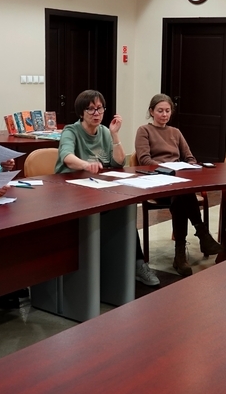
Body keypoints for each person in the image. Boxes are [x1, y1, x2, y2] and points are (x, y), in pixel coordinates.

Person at [56, 90, 159, 286]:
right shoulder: (71, 130)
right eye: (91, 109)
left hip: (97, 188)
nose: (96, 113)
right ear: (81, 112)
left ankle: (137, 264)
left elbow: (118, 161)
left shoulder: (104, 131)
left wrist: (114, 134)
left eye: (100, 108)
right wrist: (86, 165)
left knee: (124, 209)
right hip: (71, 190)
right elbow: (66, 157)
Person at [134, 93, 222, 276]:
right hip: (157, 181)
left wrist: (189, 165)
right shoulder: (144, 130)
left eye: (167, 111)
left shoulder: (175, 132)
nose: (164, 115)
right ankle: (201, 234)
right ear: (151, 111)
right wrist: (167, 167)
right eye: (160, 111)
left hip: (176, 182)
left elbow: (189, 157)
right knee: (182, 193)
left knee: (180, 194)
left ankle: (180, 254)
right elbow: (144, 160)